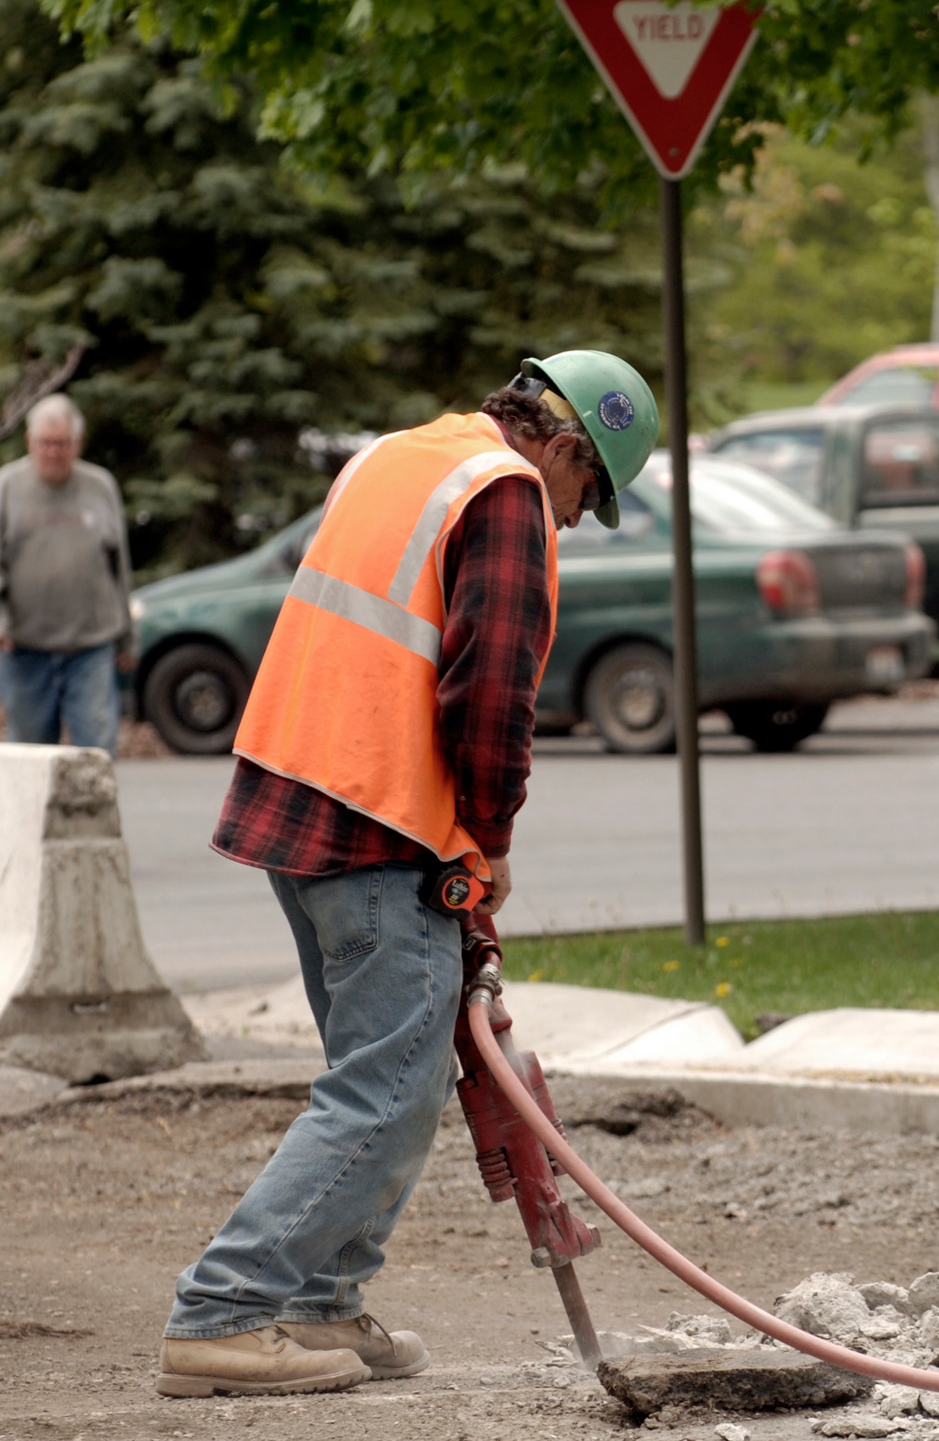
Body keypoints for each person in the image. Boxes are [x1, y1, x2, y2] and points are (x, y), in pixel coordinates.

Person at [154, 352, 658, 1398]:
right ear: (564, 449)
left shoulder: (399, 455)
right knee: (384, 1087)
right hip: (380, 820)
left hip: (298, 796)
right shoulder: (505, 491)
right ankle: (225, 1310)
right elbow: (490, 690)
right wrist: (489, 836)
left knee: (396, 1076)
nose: (571, 521)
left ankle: (323, 1293)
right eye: (586, 496)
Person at [0, 393, 134, 754]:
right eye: (45, 443)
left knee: (96, 756)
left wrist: (126, 638)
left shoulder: (100, 486)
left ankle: (94, 815)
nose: (53, 452)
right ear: (30, 442)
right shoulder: (6, 487)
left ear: (77, 444)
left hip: (90, 648)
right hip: (25, 650)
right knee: (29, 761)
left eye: (62, 444)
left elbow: (119, 567)